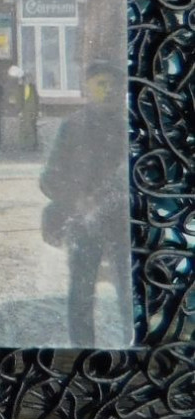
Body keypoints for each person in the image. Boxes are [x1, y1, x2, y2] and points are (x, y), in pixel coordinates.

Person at [39, 58, 132, 347]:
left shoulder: (131, 127)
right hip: (83, 224)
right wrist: (74, 198)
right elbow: (49, 178)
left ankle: (135, 347)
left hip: (123, 225)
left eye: (111, 85)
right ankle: (83, 352)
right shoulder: (72, 126)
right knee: (80, 293)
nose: (106, 90)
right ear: (87, 89)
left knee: (130, 294)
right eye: (99, 84)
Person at [16, 67, 41, 151]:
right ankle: (24, 145)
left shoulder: (33, 87)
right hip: (24, 111)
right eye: (28, 78)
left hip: (33, 111)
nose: (29, 80)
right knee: (24, 128)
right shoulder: (20, 88)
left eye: (30, 78)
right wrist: (19, 110)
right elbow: (19, 99)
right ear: (25, 79)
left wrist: (39, 110)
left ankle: (33, 145)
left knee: (33, 128)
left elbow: (37, 99)